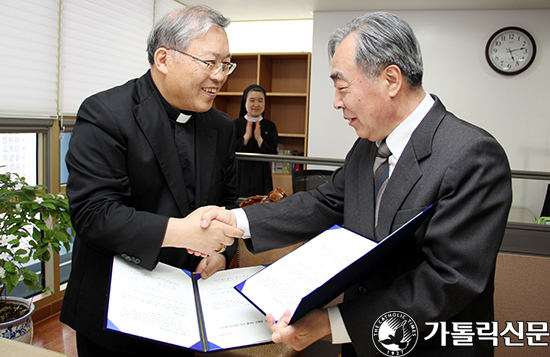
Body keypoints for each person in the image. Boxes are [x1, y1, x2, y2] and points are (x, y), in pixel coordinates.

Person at [202, 11, 512, 357]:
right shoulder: (368, 146)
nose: (336, 102)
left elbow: (449, 281)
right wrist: (237, 221)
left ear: (391, 80)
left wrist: (333, 324)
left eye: (342, 87)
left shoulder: (472, 155)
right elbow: (326, 203)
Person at [60, 6, 243, 357]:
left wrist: (222, 252)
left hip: (190, 307)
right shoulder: (105, 113)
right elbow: (94, 215)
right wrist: (182, 232)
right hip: (115, 314)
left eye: (226, 64)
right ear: (163, 58)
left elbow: (230, 204)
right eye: (210, 63)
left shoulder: (220, 127)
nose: (220, 76)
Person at [233, 84, 279, 197]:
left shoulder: (270, 126)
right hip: (240, 173)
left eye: (260, 100)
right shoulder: (235, 124)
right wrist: (246, 137)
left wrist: (259, 139)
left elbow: (273, 153)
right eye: (252, 100)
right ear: (245, 103)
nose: (256, 104)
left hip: (262, 175)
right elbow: (230, 151)